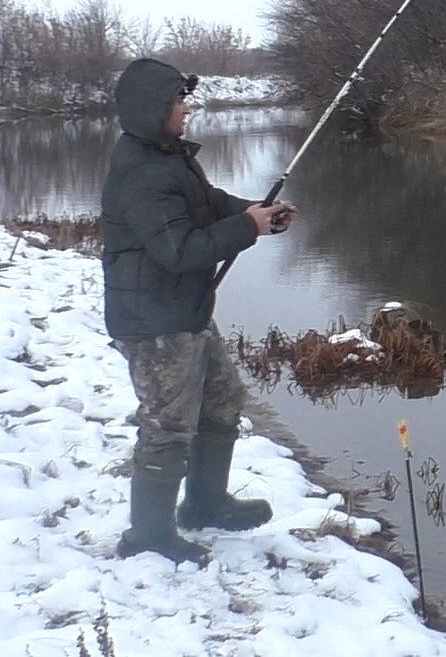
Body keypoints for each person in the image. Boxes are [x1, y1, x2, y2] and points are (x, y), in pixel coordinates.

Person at [99, 57, 298, 565]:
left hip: (180, 310)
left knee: (223, 400)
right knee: (168, 426)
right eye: (178, 101)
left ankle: (206, 504)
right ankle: (148, 536)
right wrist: (246, 229)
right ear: (154, 109)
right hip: (155, 321)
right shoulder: (142, 172)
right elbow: (180, 250)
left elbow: (204, 203)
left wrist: (255, 213)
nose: (187, 108)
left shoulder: (165, 157)